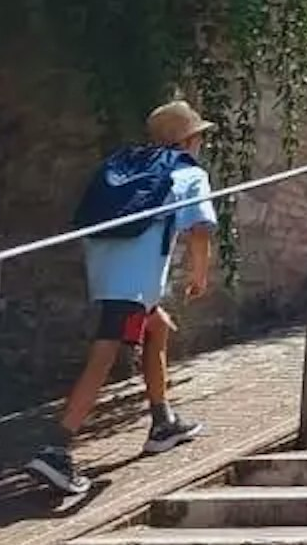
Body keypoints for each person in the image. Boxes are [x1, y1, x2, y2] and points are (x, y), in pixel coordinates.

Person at [32, 100, 217, 508]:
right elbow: (199, 227)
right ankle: (56, 448)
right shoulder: (188, 172)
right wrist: (200, 274)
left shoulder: (127, 164)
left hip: (106, 275)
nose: (201, 143)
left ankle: (162, 422)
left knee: (158, 326)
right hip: (133, 287)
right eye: (199, 136)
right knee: (104, 356)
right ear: (190, 139)